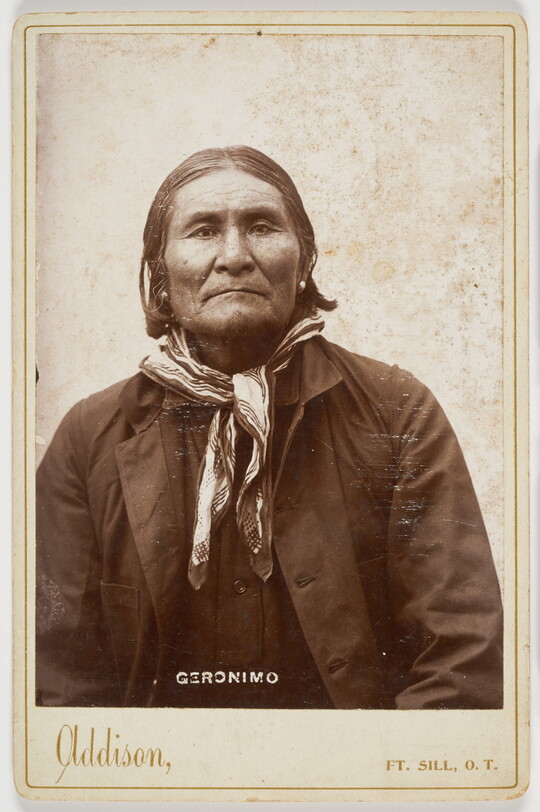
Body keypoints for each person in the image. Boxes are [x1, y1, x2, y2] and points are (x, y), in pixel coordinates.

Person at [36, 145, 503, 710]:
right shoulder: (90, 438)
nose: (234, 256)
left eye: (261, 227)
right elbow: (54, 676)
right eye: (203, 231)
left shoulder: (397, 412)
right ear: (161, 276)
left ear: (304, 260)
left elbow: (459, 655)